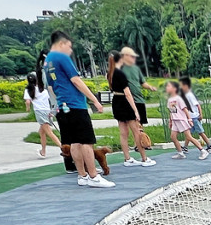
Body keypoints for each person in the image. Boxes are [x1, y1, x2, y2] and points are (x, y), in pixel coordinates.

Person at [39, 30, 114, 187]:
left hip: (62, 107)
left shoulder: (47, 62)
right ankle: (94, 176)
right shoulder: (61, 57)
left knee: (74, 142)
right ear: (61, 43)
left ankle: (82, 175)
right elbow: (76, 81)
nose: (70, 50)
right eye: (69, 46)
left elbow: (51, 88)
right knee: (86, 141)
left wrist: (59, 102)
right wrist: (95, 100)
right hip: (75, 105)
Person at [107, 51, 155, 168]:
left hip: (116, 102)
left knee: (123, 133)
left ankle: (127, 158)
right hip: (124, 102)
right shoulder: (121, 74)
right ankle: (144, 158)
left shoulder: (110, 73)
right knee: (136, 132)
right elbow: (128, 94)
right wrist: (135, 110)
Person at [165, 81, 209, 160]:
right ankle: (180, 153)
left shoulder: (179, 98)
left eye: (169, 86)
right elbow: (172, 111)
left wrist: (189, 119)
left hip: (182, 120)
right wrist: (170, 121)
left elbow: (185, 110)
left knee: (189, 137)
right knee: (173, 137)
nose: (167, 88)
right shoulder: (170, 100)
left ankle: (203, 151)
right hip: (175, 120)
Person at [23, 72, 60, 159]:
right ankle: (43, 151)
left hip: (39, 112)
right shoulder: (43, 89)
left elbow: (28, 101)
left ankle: (63, 148)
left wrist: (27, 108)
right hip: (47, 111)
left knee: (49, 132)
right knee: (42, 132)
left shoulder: (29, 90)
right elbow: (48, 101)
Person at [118, 47, 156, 129]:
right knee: (129, 124)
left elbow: (143, 82)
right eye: (132, 56)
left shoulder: (136, 68)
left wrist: (150, 87)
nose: (134, 58)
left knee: (140, 124)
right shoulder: (120, 68)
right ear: (125, 56)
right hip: (127, 101)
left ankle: (142, 141)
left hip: (139, 99)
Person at [180, 77, 211, 152]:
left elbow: (197, 105)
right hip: (190, 117)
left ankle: (210, 146)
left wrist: (200, 114)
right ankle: (185, 147)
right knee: (188, 134)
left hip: (194, 117)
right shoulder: (186, 95)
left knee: (200, 132)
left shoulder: (189, 95)